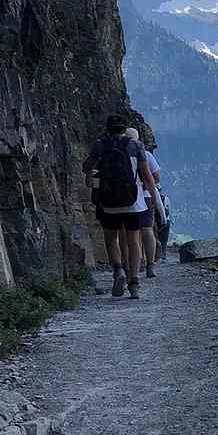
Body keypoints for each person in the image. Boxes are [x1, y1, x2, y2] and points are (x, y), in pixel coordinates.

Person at [83, 114, 163, 299]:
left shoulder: (100, 145)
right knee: (133, 240)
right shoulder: (136, 146)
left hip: (108, 201)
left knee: (111, 238)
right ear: (123, 128)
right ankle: (133, 282)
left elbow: (86, 167)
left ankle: (118, 270)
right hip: (133, 202)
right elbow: (146, 174)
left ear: (108, 128)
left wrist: (92, 169)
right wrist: (152, 195)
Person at [124, 128, 161, 277]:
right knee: (147, 230)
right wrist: (149, 190)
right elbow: (157, 176)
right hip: (144, 196)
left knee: (131, 234)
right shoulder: (145, 154)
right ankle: (150, 265)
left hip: (125, 198)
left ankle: (135, 265)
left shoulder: (117, 153)